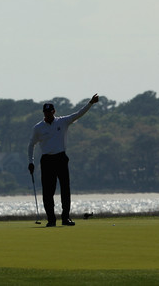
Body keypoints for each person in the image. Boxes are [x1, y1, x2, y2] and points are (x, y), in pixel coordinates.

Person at [27, 94, 99, 227]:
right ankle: (51, 219)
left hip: (61, 158)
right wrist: (31, 162)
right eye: (45, 112)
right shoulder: (38, 128)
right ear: (43, 113)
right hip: (47, 160)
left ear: (54, 111)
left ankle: (65, 218)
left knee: (65, 189)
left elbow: (78, 114)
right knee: (48, 192)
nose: (47, 114)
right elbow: (31, 145)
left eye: (49, 112)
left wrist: (90, 103)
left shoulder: (62, 121)